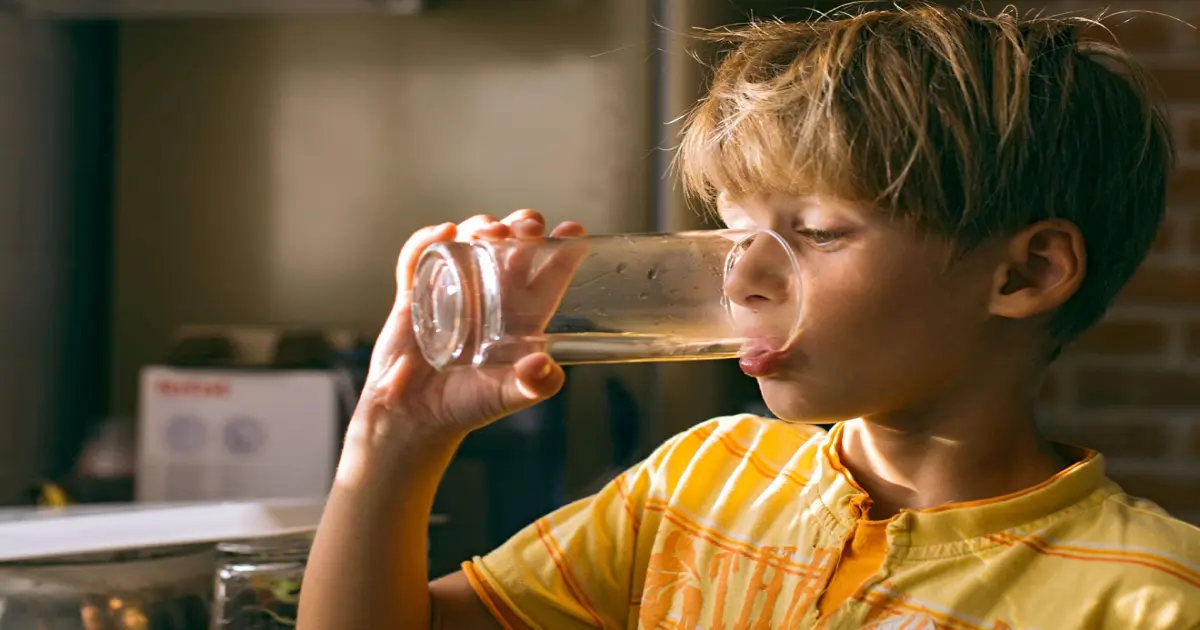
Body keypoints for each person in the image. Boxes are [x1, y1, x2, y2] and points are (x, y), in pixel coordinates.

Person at [296, 3, 1200, 629]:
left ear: (1027, 272)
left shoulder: (1152, 595)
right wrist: (393, 436)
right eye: (732, 232)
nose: (741, 278)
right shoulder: (699, 482)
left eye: (813, 233)